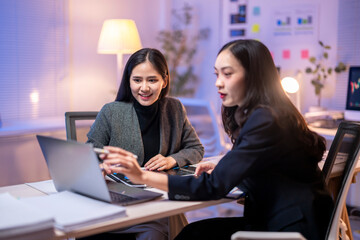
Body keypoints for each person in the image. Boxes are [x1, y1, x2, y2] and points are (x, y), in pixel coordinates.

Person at [100, 39, 334, 240]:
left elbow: (212, 187)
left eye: (227, 74)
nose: (218, 82)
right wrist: (225, 167)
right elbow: (266, 166)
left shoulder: (265, 119)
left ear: (254, 77)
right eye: (217, 74)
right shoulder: (271, 112)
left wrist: (142, 176)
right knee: (192, 233)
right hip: (290, 217)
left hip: (288, 228)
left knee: (192, 235)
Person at [86, 48, 204, 240]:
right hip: (121, 198)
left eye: (152, 80)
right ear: (129, 81)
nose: (144, 88)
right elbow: (91, 152)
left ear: (164, 80)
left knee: (156, 228)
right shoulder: (111, 111)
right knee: (156, 228)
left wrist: (172, 160)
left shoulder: (174, 108)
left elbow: (196, 149)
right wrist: (100, 165)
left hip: (158, 198)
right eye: (137, 80)